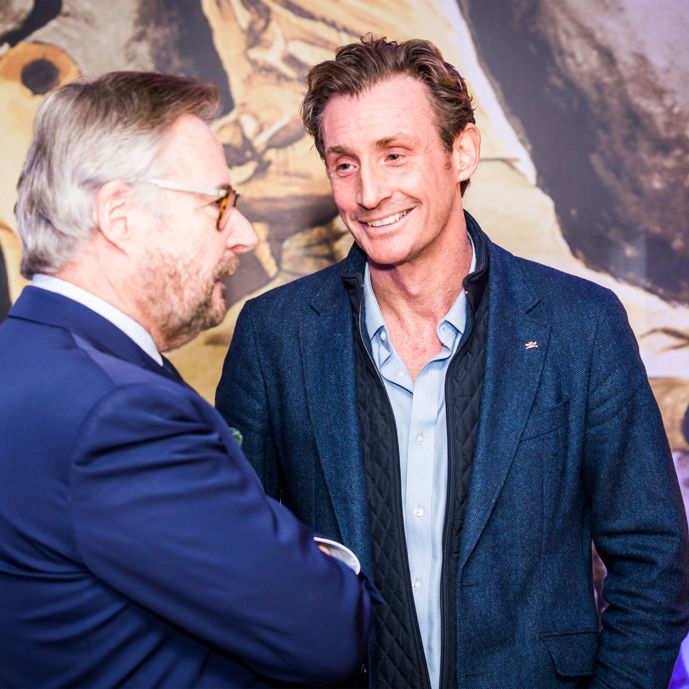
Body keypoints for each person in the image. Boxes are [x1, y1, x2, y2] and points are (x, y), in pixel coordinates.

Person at [216, 36, 689, 689]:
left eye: (394, 154)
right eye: (345, 163)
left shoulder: (579, 325)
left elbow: (653, 559)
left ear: (461, 152)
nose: (369, 192)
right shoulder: (275, 335)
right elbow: (234, 561)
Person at [0, 71, 372, 689]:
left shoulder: (25, 358)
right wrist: (314, 559)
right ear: (119, 216)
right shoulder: (120, 415)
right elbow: (327, 630)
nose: (244, 234)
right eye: (219, 204)